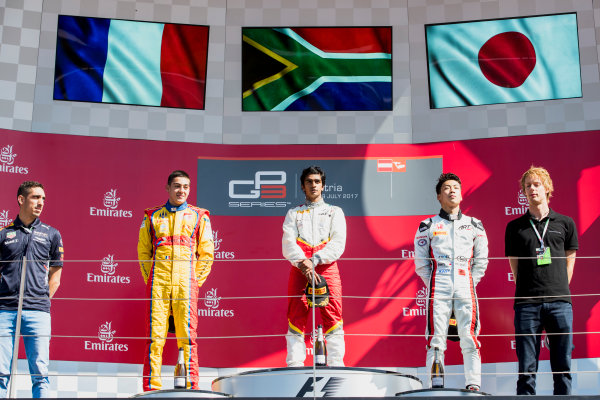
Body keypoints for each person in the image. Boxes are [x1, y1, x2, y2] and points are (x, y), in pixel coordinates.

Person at [138, 170, 214, 391]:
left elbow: (207, 254)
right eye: (177, 186)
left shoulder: (200, 215)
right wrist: (151, 278)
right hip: (158, 282)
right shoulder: (151, 215)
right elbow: (143, 252)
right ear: (168, 188)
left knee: (188, 337)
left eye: (186, 187)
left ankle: (190, 385)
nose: (182, 191)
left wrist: (195, 282)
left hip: (186, 282)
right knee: (155, 337)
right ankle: (152, 387)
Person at [505, 166, 577, 395]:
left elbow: (570, 260)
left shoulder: (565, 223)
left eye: (536, 184)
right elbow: (514, 266)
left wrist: (559, 289)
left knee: (562, 365)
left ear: (547, 188)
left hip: (560, 303)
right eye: (527, 186)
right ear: (523, 192)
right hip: (526, 303)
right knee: (526, 368)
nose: (532, 189)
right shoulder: (514, 227)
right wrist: (528, 288)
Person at [413, 173, 488, 391]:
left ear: (462, 194)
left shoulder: (474, 224)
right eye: (446, 188)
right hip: (439, 284)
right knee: (436, 338)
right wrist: (436, 281)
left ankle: (473, 384)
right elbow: (421, 263)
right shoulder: (427, 225)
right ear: (439, 196)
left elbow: (482, 260)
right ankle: (435, 385)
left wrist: (470, 281)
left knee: (469, 336)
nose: (452, 190)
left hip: (466, 284)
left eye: (456, 187)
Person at [0, 181, 64, 398]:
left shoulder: (51, 234)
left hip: (38, 311)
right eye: (36, 197)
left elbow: (56, 274)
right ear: (21, 199)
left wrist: (42, 298)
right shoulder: (3, 234)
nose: (41, 203)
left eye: (43, 199)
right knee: (0, 373)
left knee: (40, 374)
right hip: (5, 310)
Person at [282, 166, 347, 367]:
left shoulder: (335, 212)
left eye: (317, 181)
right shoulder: (294, 213)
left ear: (323, 185)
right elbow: (288, 243)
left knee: (333, 313)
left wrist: (315, 260)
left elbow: (338, 243)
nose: (313, 185)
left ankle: (336, 363)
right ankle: (294, 363)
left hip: (326, 267)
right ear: (303, 186)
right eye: (309, 181)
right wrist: (303, 263)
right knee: (296, 314)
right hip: (300, 268)